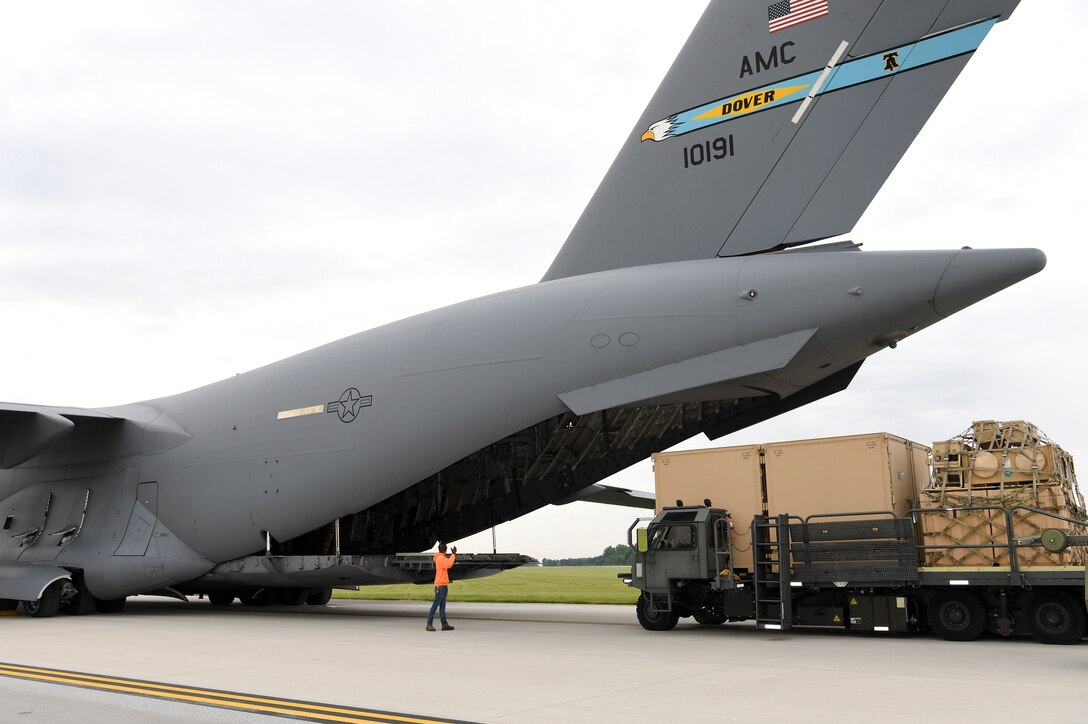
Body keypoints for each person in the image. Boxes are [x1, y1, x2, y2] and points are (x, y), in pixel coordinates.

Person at [426, 542, 456, 631]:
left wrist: (452, 555)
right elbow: (449, 564)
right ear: (446, 549)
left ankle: (444, 624)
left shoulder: (441, 557)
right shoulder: (440, 558)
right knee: (435, 605)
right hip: (440, 586)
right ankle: (429, 624)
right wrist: (453, 554)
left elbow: (448, 562)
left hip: (443, 585)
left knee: (442, 606)